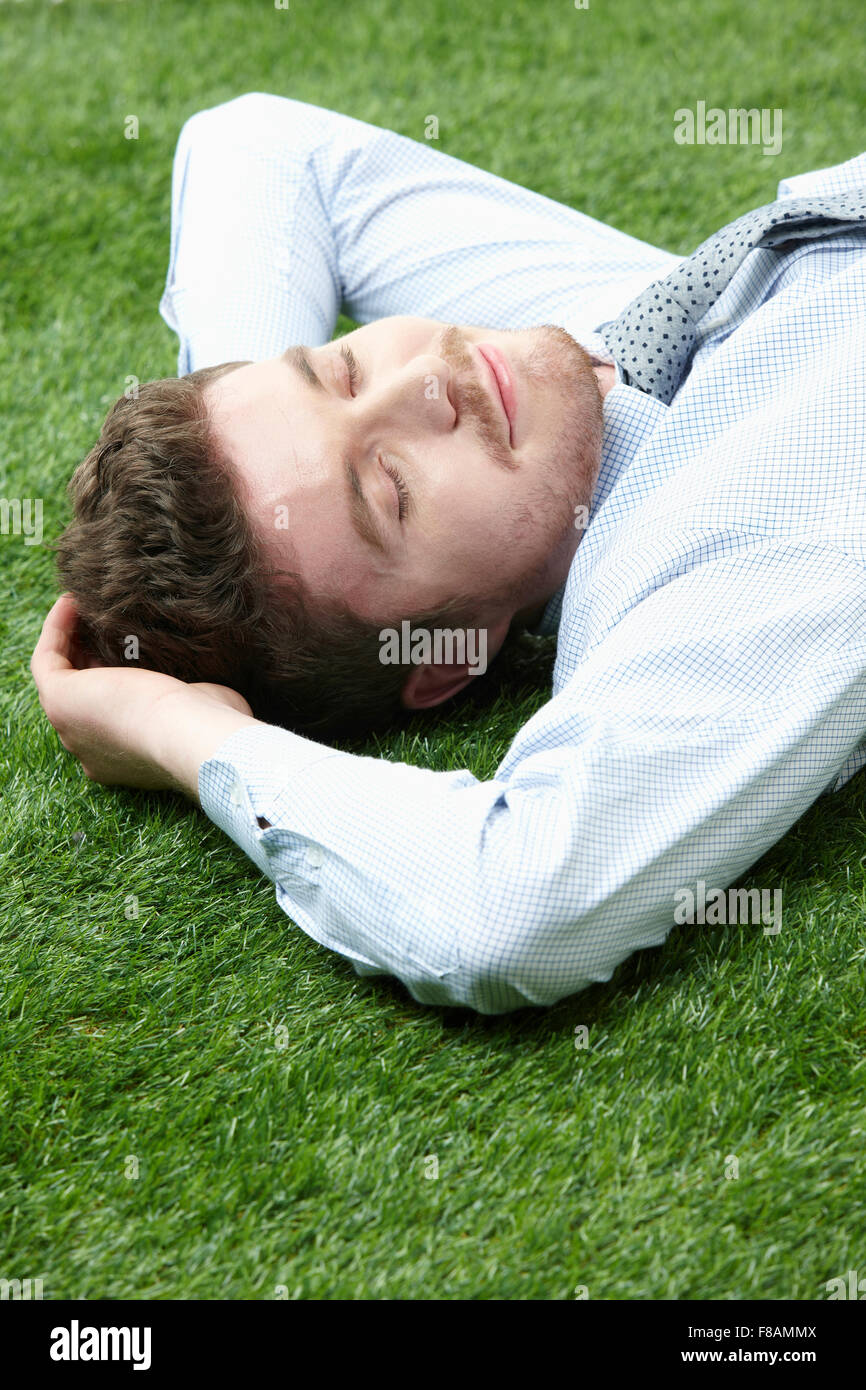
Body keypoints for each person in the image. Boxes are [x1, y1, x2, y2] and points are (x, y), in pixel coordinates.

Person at [32, 94, 866, 1014]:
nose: (426, 382)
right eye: (391, 489)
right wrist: (185, 731)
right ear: (445, 659)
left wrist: (249, 439)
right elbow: (506, 909)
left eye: (339, 368)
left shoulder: (549, 390)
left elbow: (262, 147)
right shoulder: (760, 550)